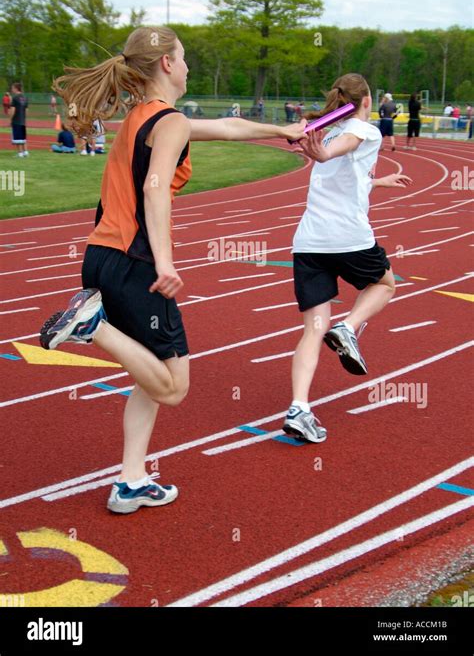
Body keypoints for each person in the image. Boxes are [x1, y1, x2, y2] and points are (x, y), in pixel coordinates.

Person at [38, 25, 307, 514]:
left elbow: (228, 127)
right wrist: (164, 259)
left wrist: (283, 131)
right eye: (183, 58)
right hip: (135, 261)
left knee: (149, 379)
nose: (187, 66)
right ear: (167, 64)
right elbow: (155, 189)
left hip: (101, 257)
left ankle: (131, 481)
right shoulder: (170, 122)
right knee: (174, 386)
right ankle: (91, 327)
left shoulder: (148, 118)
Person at [281, 73, 412, 443]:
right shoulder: (363, 130)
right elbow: (343, 149)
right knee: (385, 284)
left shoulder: (331, 129)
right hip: (349, 238)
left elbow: (341, 169)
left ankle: (299, 408)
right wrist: (322, 153)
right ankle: (350, 327)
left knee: (312, 330)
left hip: (309, 242)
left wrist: (376, 182)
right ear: (367, 102)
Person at [8, 82, 29, 157]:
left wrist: (10, 119)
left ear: (16, 88)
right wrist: (23, 118)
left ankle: (20, 153)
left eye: (12, 88)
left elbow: (13, 109)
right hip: (23, 120)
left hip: (16, 120)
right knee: (23, 137)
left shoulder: (15, 98)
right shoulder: (25, 98)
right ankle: (25, 152)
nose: (12, 89)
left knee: (17, 138)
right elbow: (26, 110)